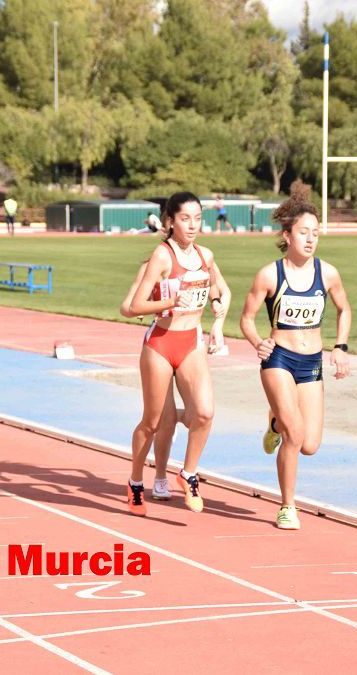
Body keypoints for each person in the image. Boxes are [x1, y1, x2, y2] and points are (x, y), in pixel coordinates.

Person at [238, 184, 352, 530]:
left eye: (315, 233)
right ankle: (288, 506)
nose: (310, 239)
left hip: (311, 363)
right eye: (304, 232)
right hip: (280, 360)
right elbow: (246, 318)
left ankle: (274, 421)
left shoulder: (327, 273)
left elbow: (344, 309)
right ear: (287, 235)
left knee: (311, 445)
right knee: (295, 434)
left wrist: (341, 346)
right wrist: (258, 341)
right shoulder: (270, 275)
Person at [126, 191, 220, 515]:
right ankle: (136, 480)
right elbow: (134, 307)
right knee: (153, 423)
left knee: (205, 413)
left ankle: (189, 474)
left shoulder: (206, 256)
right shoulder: (163, 256)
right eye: (185, 218)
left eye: (197, 218)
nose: (192, 225)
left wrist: (219, 315)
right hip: (161, 343)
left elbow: (219, 292)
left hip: (191, 342)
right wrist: (169, 303)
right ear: (170, 221)